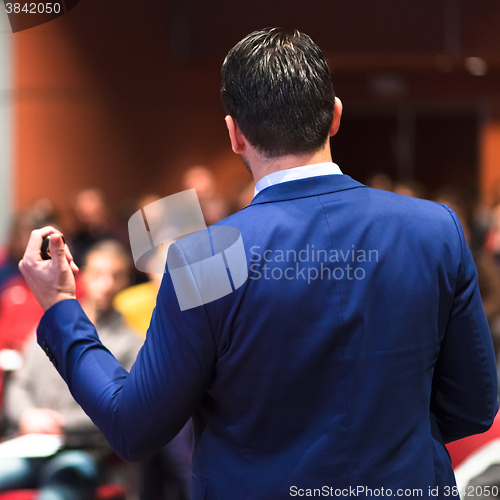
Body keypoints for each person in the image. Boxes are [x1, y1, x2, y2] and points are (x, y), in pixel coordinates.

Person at [18, 28, 498, 500]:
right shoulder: (434, 229)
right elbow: (474, 408)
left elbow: (133, 426)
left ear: (234, 135)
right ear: (335, 116)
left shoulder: (206, 259)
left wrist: (61, 306)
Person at [2, 240, 143, 499]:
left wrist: (60, 424)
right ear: (84, 275)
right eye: (99, 274)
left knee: (56, 494)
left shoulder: (132, 343)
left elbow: (123, 406)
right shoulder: (53, 324)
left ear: (125, 281)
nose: (107, 284)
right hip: (29, 444)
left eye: (116, 276)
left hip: (81, 450)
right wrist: (27, 416)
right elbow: (19, 383)